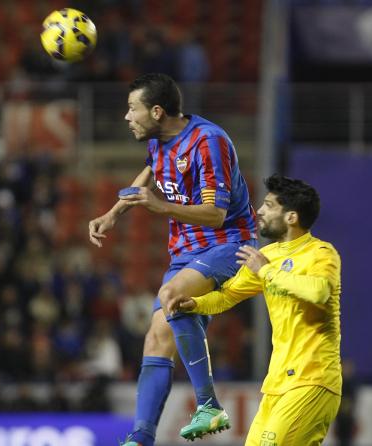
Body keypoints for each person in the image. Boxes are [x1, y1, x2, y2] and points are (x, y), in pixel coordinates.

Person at [88, 73, 257, 445]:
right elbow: (151, 170)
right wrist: (114, 213)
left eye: (133, 108)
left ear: (158, 111)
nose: (126, 116)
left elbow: (215, 214)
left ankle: (209, 405)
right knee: (157, 339)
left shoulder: (208, 142)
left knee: (171, 296)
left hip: (229, 244)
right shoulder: (159, 139)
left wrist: (160, 207)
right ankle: (141, 437)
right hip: (185, 253)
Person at [169, 174, 342, 446]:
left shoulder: (320, 253)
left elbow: (318, 292)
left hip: (313, 379)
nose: (260, 211)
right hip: (277, 384)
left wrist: (266, 271)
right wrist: (196, 304)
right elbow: (227, 296)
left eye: (270, 205)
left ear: (291, 217)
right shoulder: (268, 256)